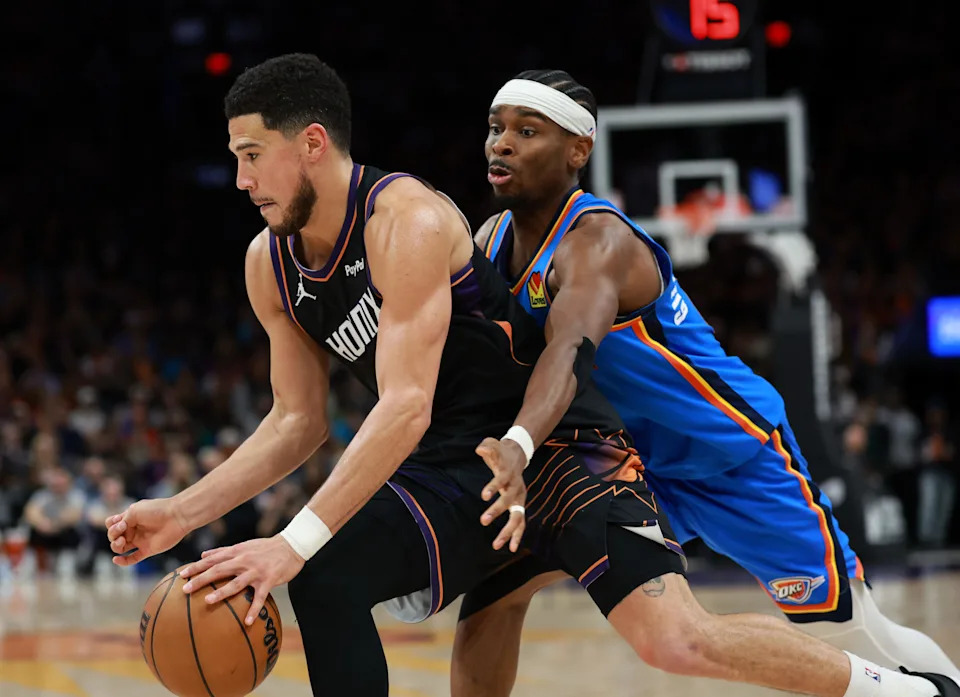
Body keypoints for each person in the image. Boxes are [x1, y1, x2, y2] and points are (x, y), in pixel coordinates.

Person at [104, 53, 690, 696]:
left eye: (252, 155)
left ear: (312, 143)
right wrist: (182, 513)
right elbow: (296, 421)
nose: (242, 180)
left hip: (544, 448)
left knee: (679, 643)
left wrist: (291, 542)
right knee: (328, 577)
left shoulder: (405, 221)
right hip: (447, 465)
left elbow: (407, 403)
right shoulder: (268, 263)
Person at [450, 69, 960, 697]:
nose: (501, 143)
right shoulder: (490, 241)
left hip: (732, 453)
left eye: (527, 131)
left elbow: (570, 352)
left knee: (847, 628)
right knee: (494, 591)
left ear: (578, 150)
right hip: (630, 467)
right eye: (495, 128)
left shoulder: (599, 243)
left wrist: (518, 443)